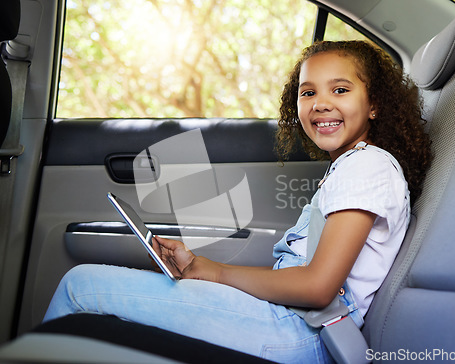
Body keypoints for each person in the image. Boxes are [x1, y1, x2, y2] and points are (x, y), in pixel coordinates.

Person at [43, 40, 432, 363]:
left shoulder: (366, 168)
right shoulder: (352, 166)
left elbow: (317, 288)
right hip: (295, 322)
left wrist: (216, 274)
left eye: (340, 90)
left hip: (303, 335)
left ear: (375, 104)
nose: (320, 103)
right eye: (308, 92)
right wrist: (200, 266)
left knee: (81, 288)